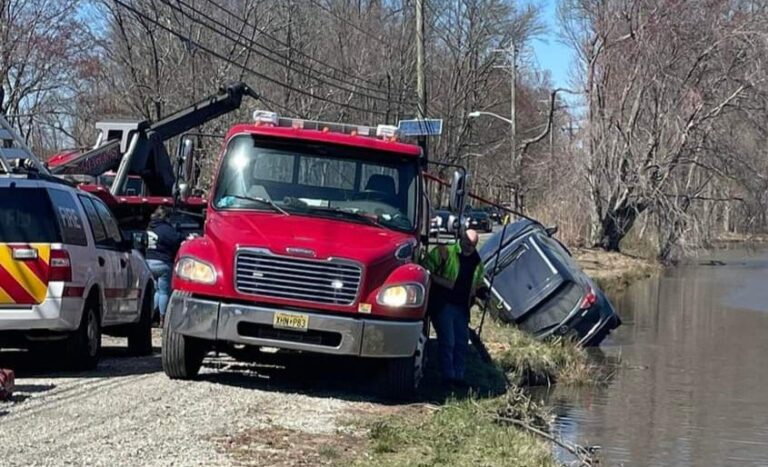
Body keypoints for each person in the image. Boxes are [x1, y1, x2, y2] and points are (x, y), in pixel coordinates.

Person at [423, 229, 487, 387]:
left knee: (461, 343)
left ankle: (459, 377)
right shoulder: (445, 252)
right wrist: (440, 281)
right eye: (466, 242)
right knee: (448, 341)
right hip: (444, 304)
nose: (468, 247)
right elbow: (424, 269)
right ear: (461, 239)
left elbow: (479, 282)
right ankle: (448, 377)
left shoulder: (477, 262)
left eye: (472, 245)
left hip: (462, 307)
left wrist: (482, 291)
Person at [146, 206, 183, 324]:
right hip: (163, 263)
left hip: (148, 262)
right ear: (165, 217)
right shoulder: (165, 228)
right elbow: (177, 240)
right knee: (164, 292)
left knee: (156, 291)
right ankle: (163, 318)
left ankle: (151, 316)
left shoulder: (150, 227)